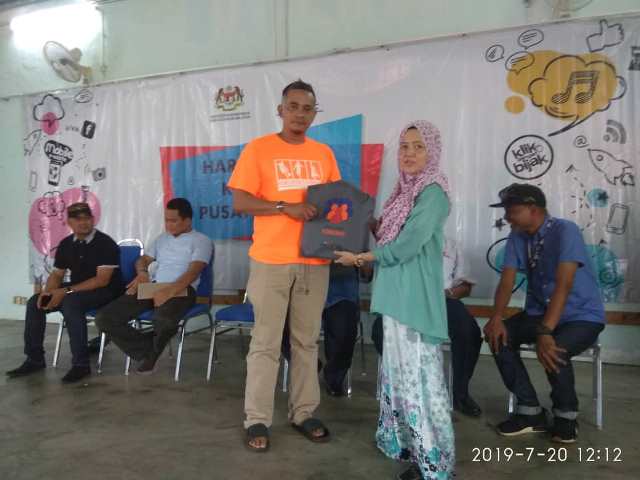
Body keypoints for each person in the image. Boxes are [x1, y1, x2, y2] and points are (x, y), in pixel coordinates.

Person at [335, 120, 455, 480]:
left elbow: (407, 245)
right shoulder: (403, 193)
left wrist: (360, 258)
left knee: (419, 381)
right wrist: (359, 221)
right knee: (398, 376)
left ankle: (434, 463)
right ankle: (403, 442)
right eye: (404, 146)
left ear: (433, 151)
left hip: (414, 302)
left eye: (419, 146)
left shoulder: (432, 193)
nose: (409, 153)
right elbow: (389, 234)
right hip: (395, 298)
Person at [227, 79, 341, 452]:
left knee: (306, 341)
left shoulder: (323, 153)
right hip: (271, 261)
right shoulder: (258, 149)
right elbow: (240, 202)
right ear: (280, 110)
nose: (299, 115)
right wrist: (283, 207)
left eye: (307, 109)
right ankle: (257, 419)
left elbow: (336, 203)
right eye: (293, 107)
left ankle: (304, 412)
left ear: (314, 114)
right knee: (266, 342)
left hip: (314, 261)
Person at [483, 183, 605, 443]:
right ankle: (530, 411)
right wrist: (496, 318)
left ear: (533, 209)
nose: (507, 217)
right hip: (539, 313)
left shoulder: (565, 231)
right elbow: (506, 281)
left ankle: (566, 416)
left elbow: (564, 284)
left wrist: (545, 332)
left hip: (580, 315)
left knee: (553, 348)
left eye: (512, 211)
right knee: (498, 336)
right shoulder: (517, 236)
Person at [6, 202, 124, 383]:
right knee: (35, 302)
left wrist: (65, 291)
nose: (83, 222)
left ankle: (81, 365)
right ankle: (34, 359)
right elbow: (57, 274)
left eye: (87, 218)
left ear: (93, 220)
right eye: (78, 219)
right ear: (69, 222)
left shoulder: (105, 243)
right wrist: (48, 293)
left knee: (71, 303)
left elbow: (102, 280)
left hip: (107, 291)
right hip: (78, 289)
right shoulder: (66, 244)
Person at [95, 198, 212, 374]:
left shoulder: (201, 240)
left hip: (183, 289)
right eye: (166, 220)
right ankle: (149, 349)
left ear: (187, 220)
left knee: (163, 319)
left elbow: (193, 272)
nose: (168, 225)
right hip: (155, 286)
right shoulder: (161, 239)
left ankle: (151, 354)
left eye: (173, 221)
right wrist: (142, 273)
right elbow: (142, 260)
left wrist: (169, 291)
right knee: (105, 317)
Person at [281, 264, 362, 396]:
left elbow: (365, 261)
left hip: (340, 279)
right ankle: (309, 366)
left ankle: (333, 376)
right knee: (280, 324)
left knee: (345, 328)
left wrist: (364, 264)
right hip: (304, 275)